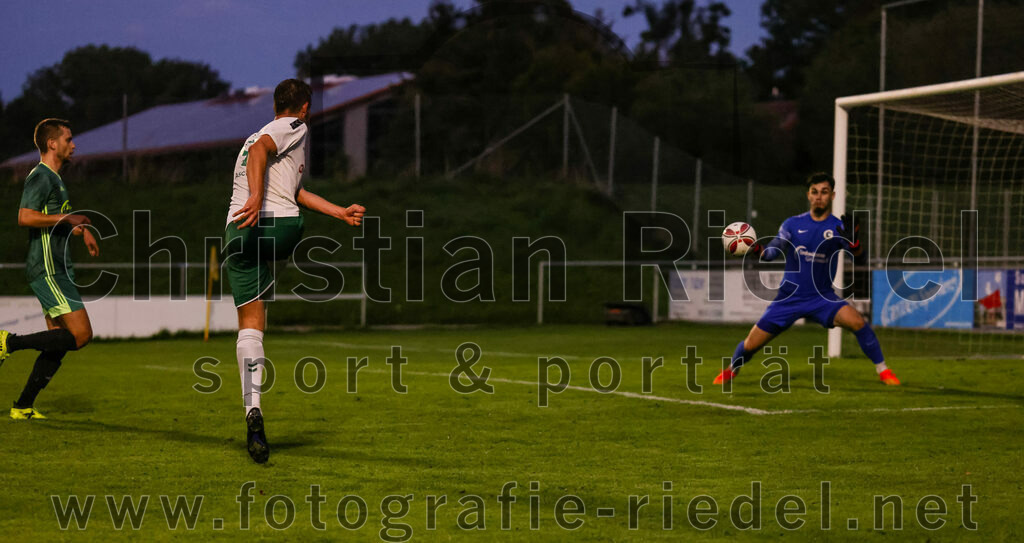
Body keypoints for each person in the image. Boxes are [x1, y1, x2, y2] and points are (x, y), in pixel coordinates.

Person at [224, 78, 365, 464]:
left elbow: (295, 189)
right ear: (304, 106)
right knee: (293, 226)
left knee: (251, 327)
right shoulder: (293, 126)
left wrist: (338, 211)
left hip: (236, 236)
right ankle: (253, 408)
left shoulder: (262, 135)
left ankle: (253, 409)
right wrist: (257, 197)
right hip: (273, 227)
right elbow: (260, 151)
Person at [714, 172, 900, 386]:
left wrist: (855, 245)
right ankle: (731, 370)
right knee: (751, 344)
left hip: (822, 298)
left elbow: (860, 261)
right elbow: (771, 252)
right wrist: (756, 248)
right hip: (789, 298)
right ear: (808, 195)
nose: (819, 196)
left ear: (832, 195)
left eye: (824, 192)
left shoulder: (838, 228)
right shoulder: (792, 224)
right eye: (815, 192)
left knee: (858, 322)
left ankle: (884, 371)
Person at [0, 119, 100, 420]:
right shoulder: (41, 177)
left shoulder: (56, 179)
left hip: (55, 267)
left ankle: (22, 406)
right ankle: (8, 342)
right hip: (48, 268)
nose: (74, 144)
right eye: (68, 139)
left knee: (57, 341)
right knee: (81, 335)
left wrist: (80, 230)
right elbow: (25, 217)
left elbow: (56, 217)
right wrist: (68, 220)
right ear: (52, 144)